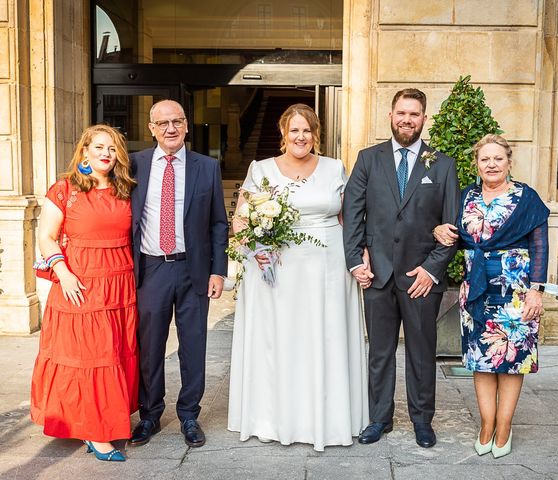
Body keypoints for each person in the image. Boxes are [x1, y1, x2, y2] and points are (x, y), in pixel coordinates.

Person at [227, 103, 368, 452]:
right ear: (283, 133)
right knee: (280, 338)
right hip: (275, 268)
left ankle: (329, 418)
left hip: (327, 269)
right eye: (294, 130)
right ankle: (275, 418)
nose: (300, 137)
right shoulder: (260, 169)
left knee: (324, 336)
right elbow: (241, 220)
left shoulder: (336, 168)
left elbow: (349, 219)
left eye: (307, 130)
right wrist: (254, 247)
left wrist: (359, 255)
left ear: (315, 134)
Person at [342, 88, 460, 448]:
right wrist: (354, 261)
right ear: (390, 116)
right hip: (377, 274)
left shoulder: (442, 163)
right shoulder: (367, 159)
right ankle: (379, 418)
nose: (407, 120)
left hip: (421, 278)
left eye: (414, 114)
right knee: (379, 352)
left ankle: (422, 420)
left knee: (422, 352)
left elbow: (452, 226)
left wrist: (432, 270)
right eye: (401, 113)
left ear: (424, 119)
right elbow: (352, 215)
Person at [433, 134, 549, 458]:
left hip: (517, 292)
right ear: (477, 164)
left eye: (498, 158)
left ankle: (504, 426)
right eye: (485, 159)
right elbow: (449, 231)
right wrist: (437, 230)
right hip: (478, 291)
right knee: (482, 361)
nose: (492, 164)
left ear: (509, 162)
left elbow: (540, 246)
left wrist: (536, 293)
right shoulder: (466, 196)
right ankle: (486, 424)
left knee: (512, 361)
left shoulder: (527, 198)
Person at [31, 125, 138, 462]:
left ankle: (107, 419)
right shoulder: (65, 190)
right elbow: (47, 236)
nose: (106, 153)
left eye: (112, 148)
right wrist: (63, 274)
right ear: (85, 152)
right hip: (80, 285)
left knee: (114, 355)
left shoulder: (125, 189)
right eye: (99, 147)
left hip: (119, 285)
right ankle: (95, 433)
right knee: (91, 358)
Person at [128, 100, 228, 448]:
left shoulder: (206, 166)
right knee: (150, 346)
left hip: (193, 269)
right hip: (151, 268)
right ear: (151, 128)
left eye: (177, 121)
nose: (171, 128)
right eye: (163, 123)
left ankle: (189, 415)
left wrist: (218, 271)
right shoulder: (134, 164)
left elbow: (218, 222)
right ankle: (150, 414)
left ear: (186, 125)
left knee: (194, 345)